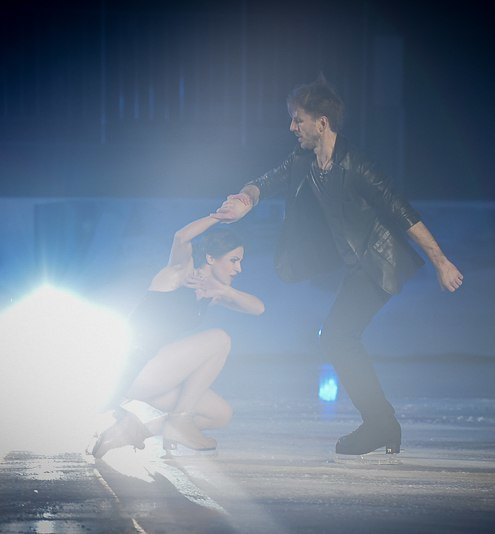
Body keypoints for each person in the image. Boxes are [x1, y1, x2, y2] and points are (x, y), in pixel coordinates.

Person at [213, 76, 463, 456]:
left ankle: (381, 423)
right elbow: (267, 181)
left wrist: (441, 261)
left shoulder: (357, 166)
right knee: (337, 338)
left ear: (321, 122)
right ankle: (382, 422)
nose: (292, 128)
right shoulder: (305, 161)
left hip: (378, 264)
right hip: (356, 266)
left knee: (336, 337)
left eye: (298, 120)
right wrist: (243, 200)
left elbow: (402, 212)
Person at [91, 213, 264, 458]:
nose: (239, 268)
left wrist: (225, 290)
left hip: (154, 376)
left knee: (220, 414)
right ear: (211, 258)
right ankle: (179, 420)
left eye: (240, 262)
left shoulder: (211, 293)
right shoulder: (179, 274)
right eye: (234, 260)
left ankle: (134, 432)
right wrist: (220, 215)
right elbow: (182, 237)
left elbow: (258, 308)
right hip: (131, 367)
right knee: (220, 339)